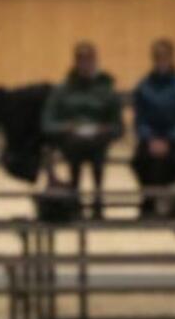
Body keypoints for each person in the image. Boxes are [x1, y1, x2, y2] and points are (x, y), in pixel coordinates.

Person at [41, 41, 124, 218]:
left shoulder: (107, 90)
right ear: (75, 62)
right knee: (76, 145)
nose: (85, 64)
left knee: (94, 148)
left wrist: (105, 129)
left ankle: (97, 197)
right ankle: (75, 197)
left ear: (96, 61)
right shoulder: (62, 90)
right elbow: (47, 123)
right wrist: (66, 127)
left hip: (98, 142)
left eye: (89, 60)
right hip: (71, 142)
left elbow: (118, 126)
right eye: (81, 60)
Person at [132, 38, 175, 217]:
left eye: (165, 56)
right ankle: (151, 201)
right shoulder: (144, 86)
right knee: (140, 160)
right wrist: (150, 138)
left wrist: (169, 140)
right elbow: (140, 119)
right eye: (158, 56)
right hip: (150, 140)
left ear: (172, 58)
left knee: (167, 161)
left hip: (174, 141)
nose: (161, 60)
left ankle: (158, 203)